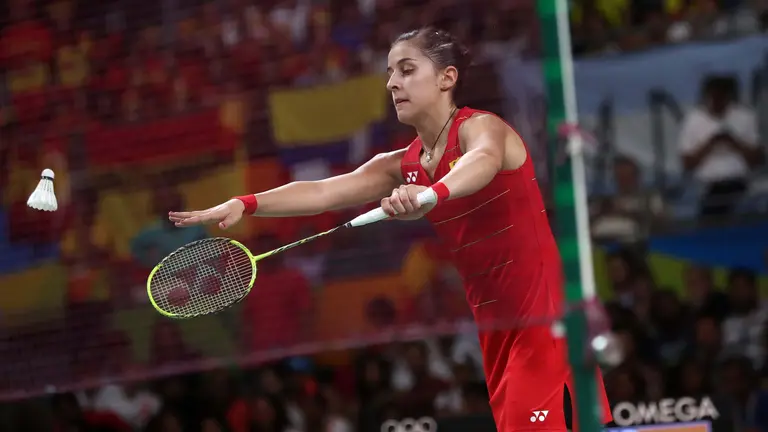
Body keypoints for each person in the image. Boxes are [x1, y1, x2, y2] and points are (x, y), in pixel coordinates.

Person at [169, 27, 612, 431]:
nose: (392, 83)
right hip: (496, 328)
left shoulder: (482, 127)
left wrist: (431, 195)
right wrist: (245, 203)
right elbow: (323, 192)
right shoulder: (402, 164)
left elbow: (482, 162)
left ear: (447, 78)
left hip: (547, 322)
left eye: (407, 69)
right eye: (389, 74)